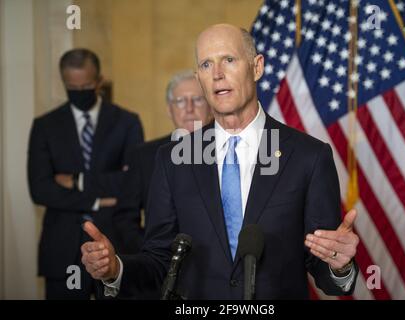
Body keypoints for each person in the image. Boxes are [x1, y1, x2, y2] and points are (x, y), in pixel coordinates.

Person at [81, 24, 360, 299]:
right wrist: (115, 268)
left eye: (228, 59)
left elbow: (325, 271)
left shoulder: (309, 156)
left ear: (257, 67)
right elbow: (159, 261)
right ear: (199, 78)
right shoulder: (172, 160)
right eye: (206, 64)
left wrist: (340, 266)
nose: (217, 74)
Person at [27, 48, 144, 299]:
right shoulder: (45, 126)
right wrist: (96, 200)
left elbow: (134, 180)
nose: (80, 93)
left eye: (86, 86)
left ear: (99, 81)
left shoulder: (127, 122)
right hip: (62, 248)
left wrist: (77, 181)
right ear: (64, 83)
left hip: (117, 246)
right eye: (73, 88)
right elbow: (41, 189)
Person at [114, 70, 213, 272]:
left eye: (197, 100)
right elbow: (124, 218)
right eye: (180, 101)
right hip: (160, 273)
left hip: (215, 271)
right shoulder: (144, 156)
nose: (189, 108)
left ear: (211, 106)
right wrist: (152, 257)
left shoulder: (231, 150)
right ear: (169, 109)